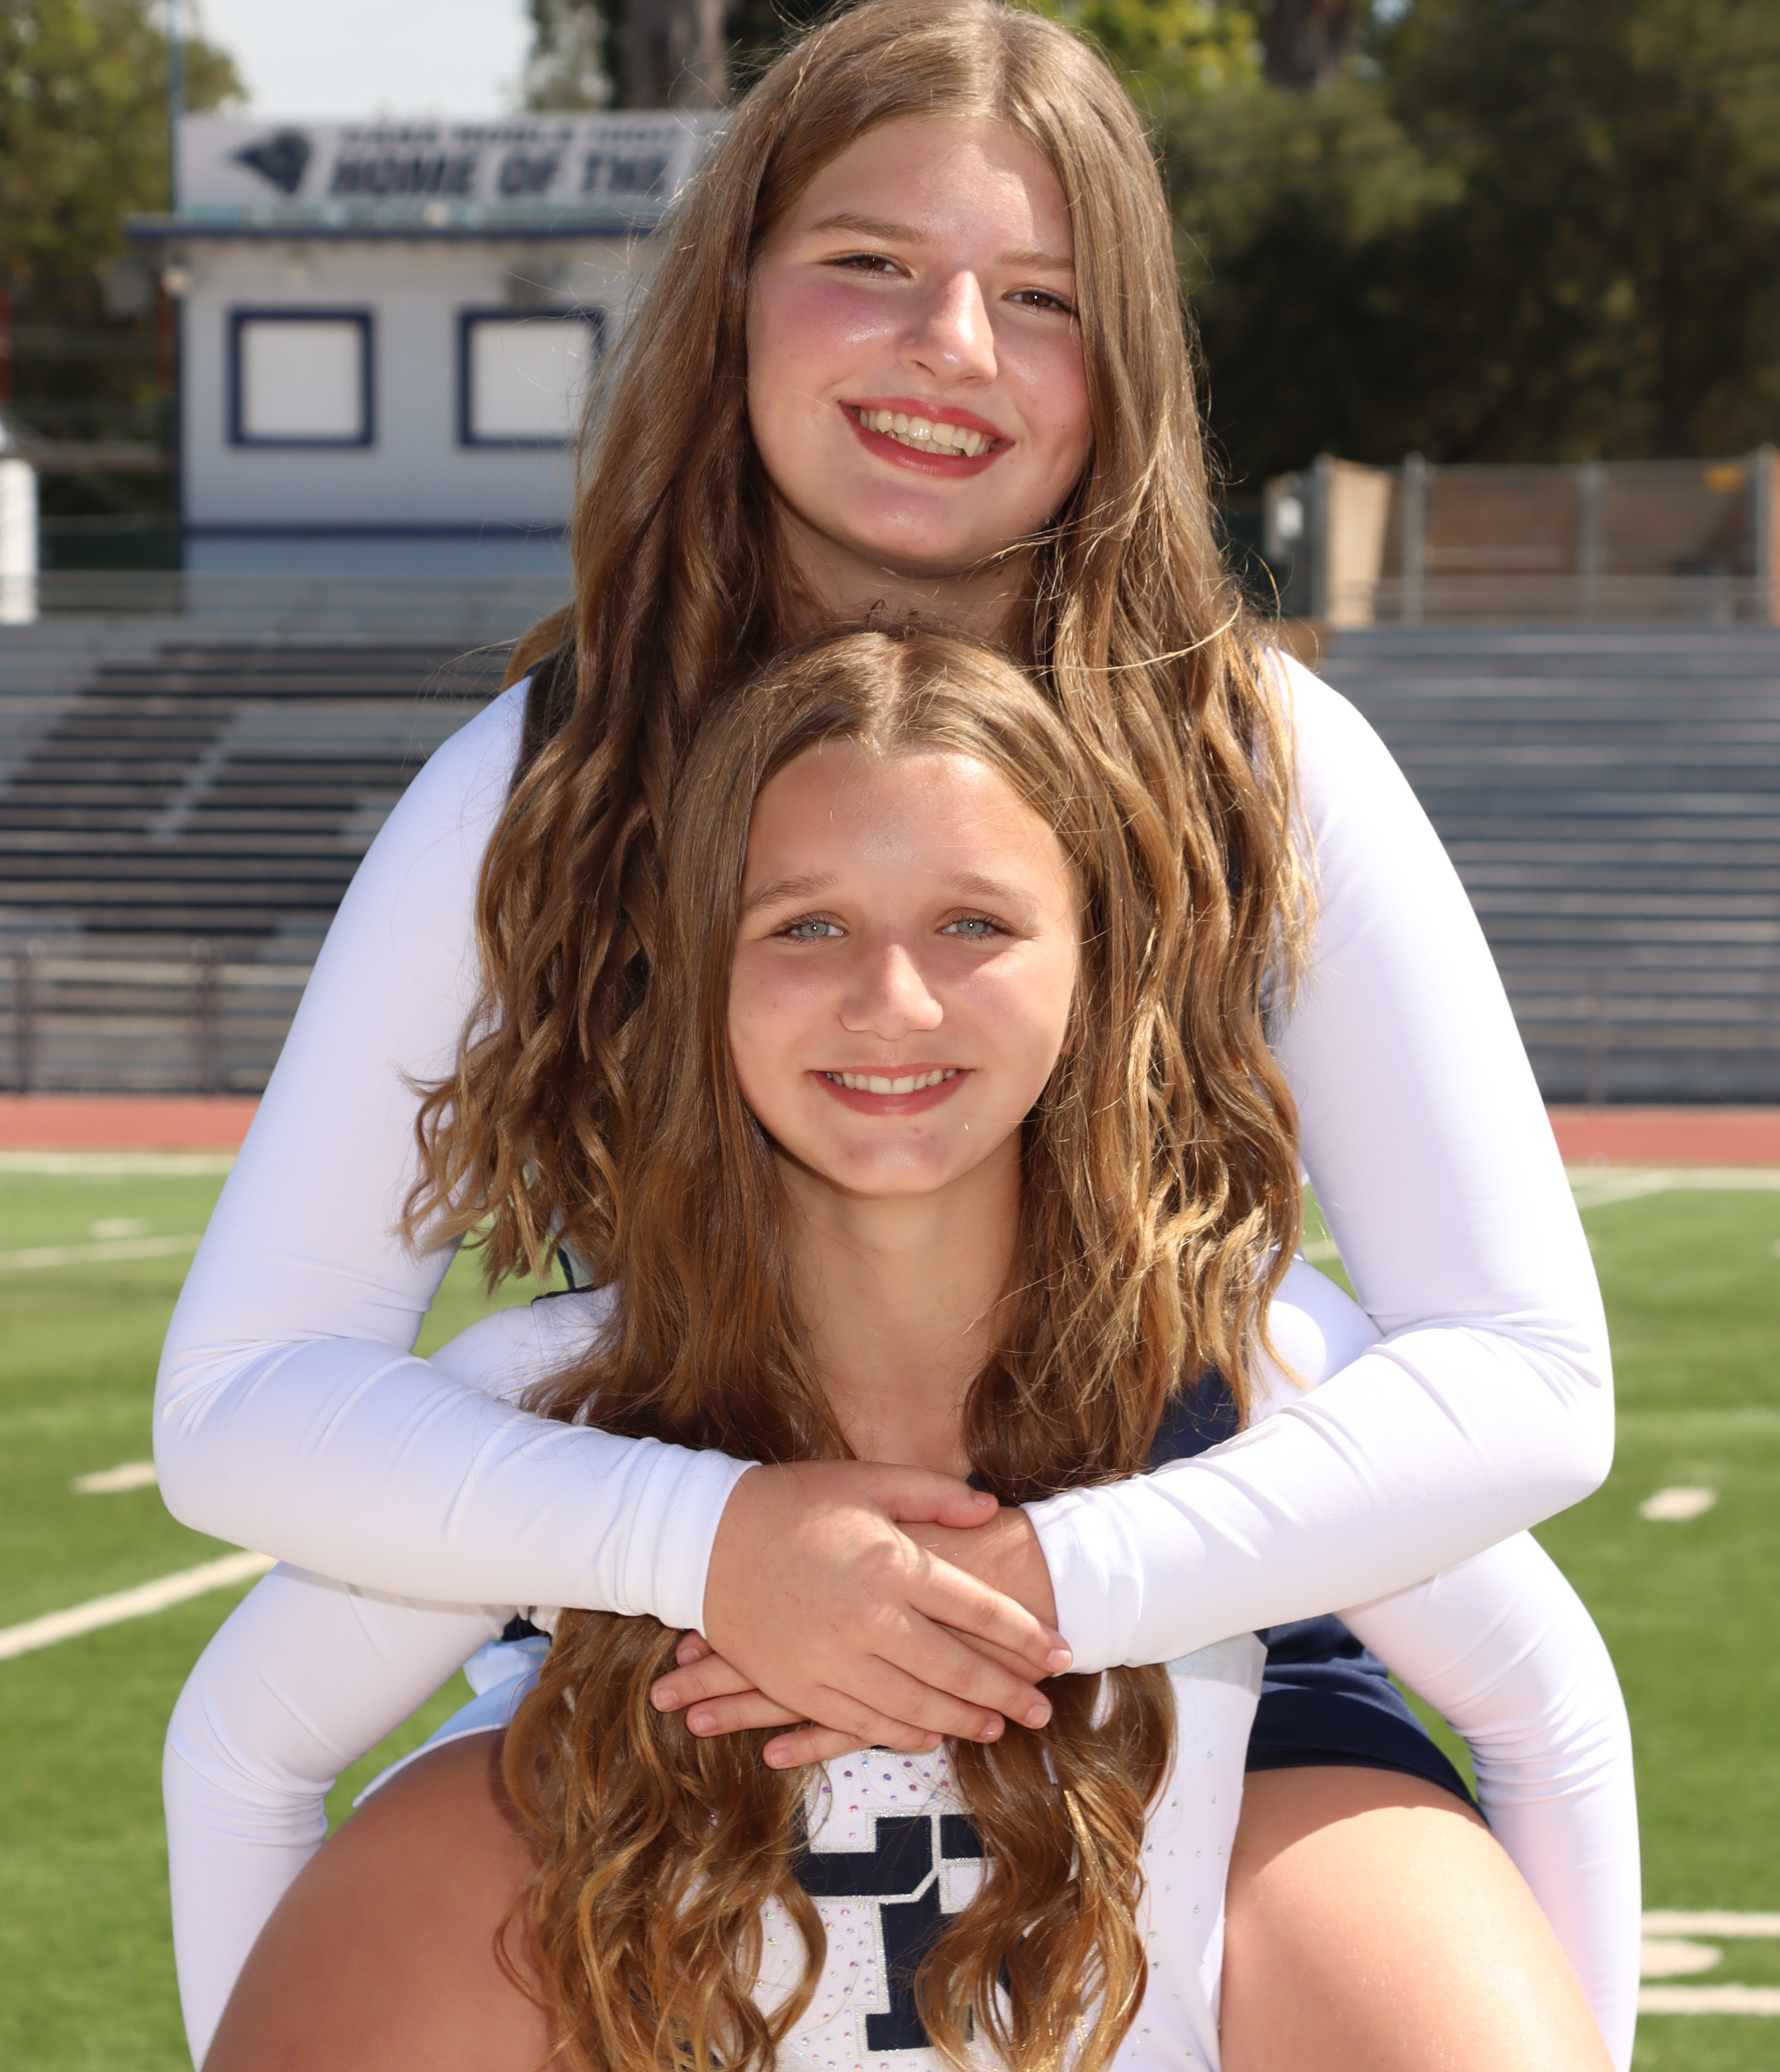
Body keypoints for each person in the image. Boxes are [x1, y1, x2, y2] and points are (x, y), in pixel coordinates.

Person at [154, 0, 1619, 2066]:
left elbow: (1533, 1376)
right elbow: (241, 1403)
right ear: (734, 295)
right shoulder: (550, 776)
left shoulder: (1258, 757)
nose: (951, 345)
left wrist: (1060, 1578)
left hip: (1215, 1617)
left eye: (1041, 297)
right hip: (665, 1650)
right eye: (870, 262)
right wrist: (707, 1539)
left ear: (1126, 367)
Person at [191, 628, 1623, 2072]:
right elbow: (246, 1746)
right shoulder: (554, 1390)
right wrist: (696, 1545)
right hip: (652, 1917)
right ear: (696, 972)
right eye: (805, 926)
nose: (895, 1001)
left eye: (974, 924)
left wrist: (1060, 1582)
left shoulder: (1242, 1358)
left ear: (1095, 967)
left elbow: (1547, 1705)